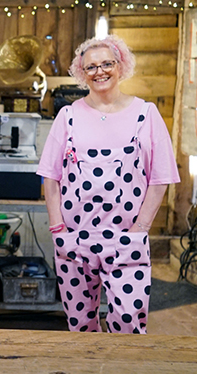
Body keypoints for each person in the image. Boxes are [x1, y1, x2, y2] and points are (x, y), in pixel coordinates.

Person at [37, 35, 180, 333]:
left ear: (120, 65)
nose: (99, 71)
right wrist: (58, 229)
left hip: (126, 240)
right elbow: (50, 175)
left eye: (106, 64)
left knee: (129, 324)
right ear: (81, 72)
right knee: (80, 326)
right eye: (91, 67)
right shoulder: (68, 116)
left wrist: (140, 229)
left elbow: (160, 178)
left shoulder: (146, 114)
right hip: (75, 240)